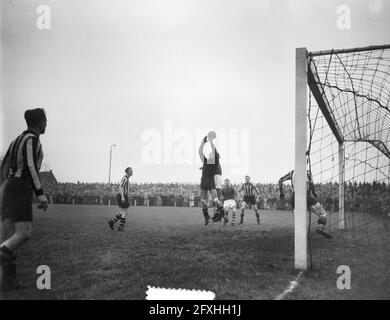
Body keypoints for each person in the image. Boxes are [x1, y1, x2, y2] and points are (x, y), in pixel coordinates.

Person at [0, 108, 49, 291]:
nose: (46, 124)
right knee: (24, 233)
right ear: (41, 121)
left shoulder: (15, 140)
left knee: (14, 233)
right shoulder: (32, 140)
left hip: (9, 186)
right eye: (45, 120)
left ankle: (9, 281)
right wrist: (41, 194)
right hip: (21, 187)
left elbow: (3, 166)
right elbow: (30, 167)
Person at [279, 169, 332, 239]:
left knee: (299, 219)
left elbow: (280, 181)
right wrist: (314, 193)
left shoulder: (291, 173)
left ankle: (301, 235)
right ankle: (320, 227)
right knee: (323, 213)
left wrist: (281, 193)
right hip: (305, 196)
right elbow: (311, 184)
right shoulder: (307, 173)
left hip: (294, 198)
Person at [198, 133, 225, 225]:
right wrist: (203, 142)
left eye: (212, 155)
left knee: (216, 200)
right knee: (203, 201)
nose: (210, 155)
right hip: (204, 181)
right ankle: (206, 216)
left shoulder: (215, 163)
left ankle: (221, 212)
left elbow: (215, 154)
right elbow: (200, 152)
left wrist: (211, 143)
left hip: (210, 181)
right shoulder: (206, 161)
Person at [108, 167, 133, 231]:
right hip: (122, 195)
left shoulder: (127, 178)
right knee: (124, 212)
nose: (132, 171)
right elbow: (121, 187)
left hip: (124, 195)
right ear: (127, 172)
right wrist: (122, 196)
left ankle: (112, 222)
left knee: (123, 212)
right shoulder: (125, 178)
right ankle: (120, 227)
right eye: (131, 170)